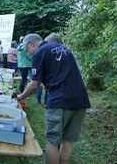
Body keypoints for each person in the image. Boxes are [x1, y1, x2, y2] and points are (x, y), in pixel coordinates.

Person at [17, 34, 91, 164]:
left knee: (52, 141)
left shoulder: (39, 53)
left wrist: (20, 97)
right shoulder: (62, 48)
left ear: (32, 43)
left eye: (27, 49)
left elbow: (34, 84)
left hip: (60, 100)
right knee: (67, 140)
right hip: (80, 99)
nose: (28, 53)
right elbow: (63, 71)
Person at [36, 33, 63, 108]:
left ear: (59, 43)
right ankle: (40, 102)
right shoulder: (45, 52)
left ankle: (46, 101)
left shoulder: (62, 54)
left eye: (49, 44)